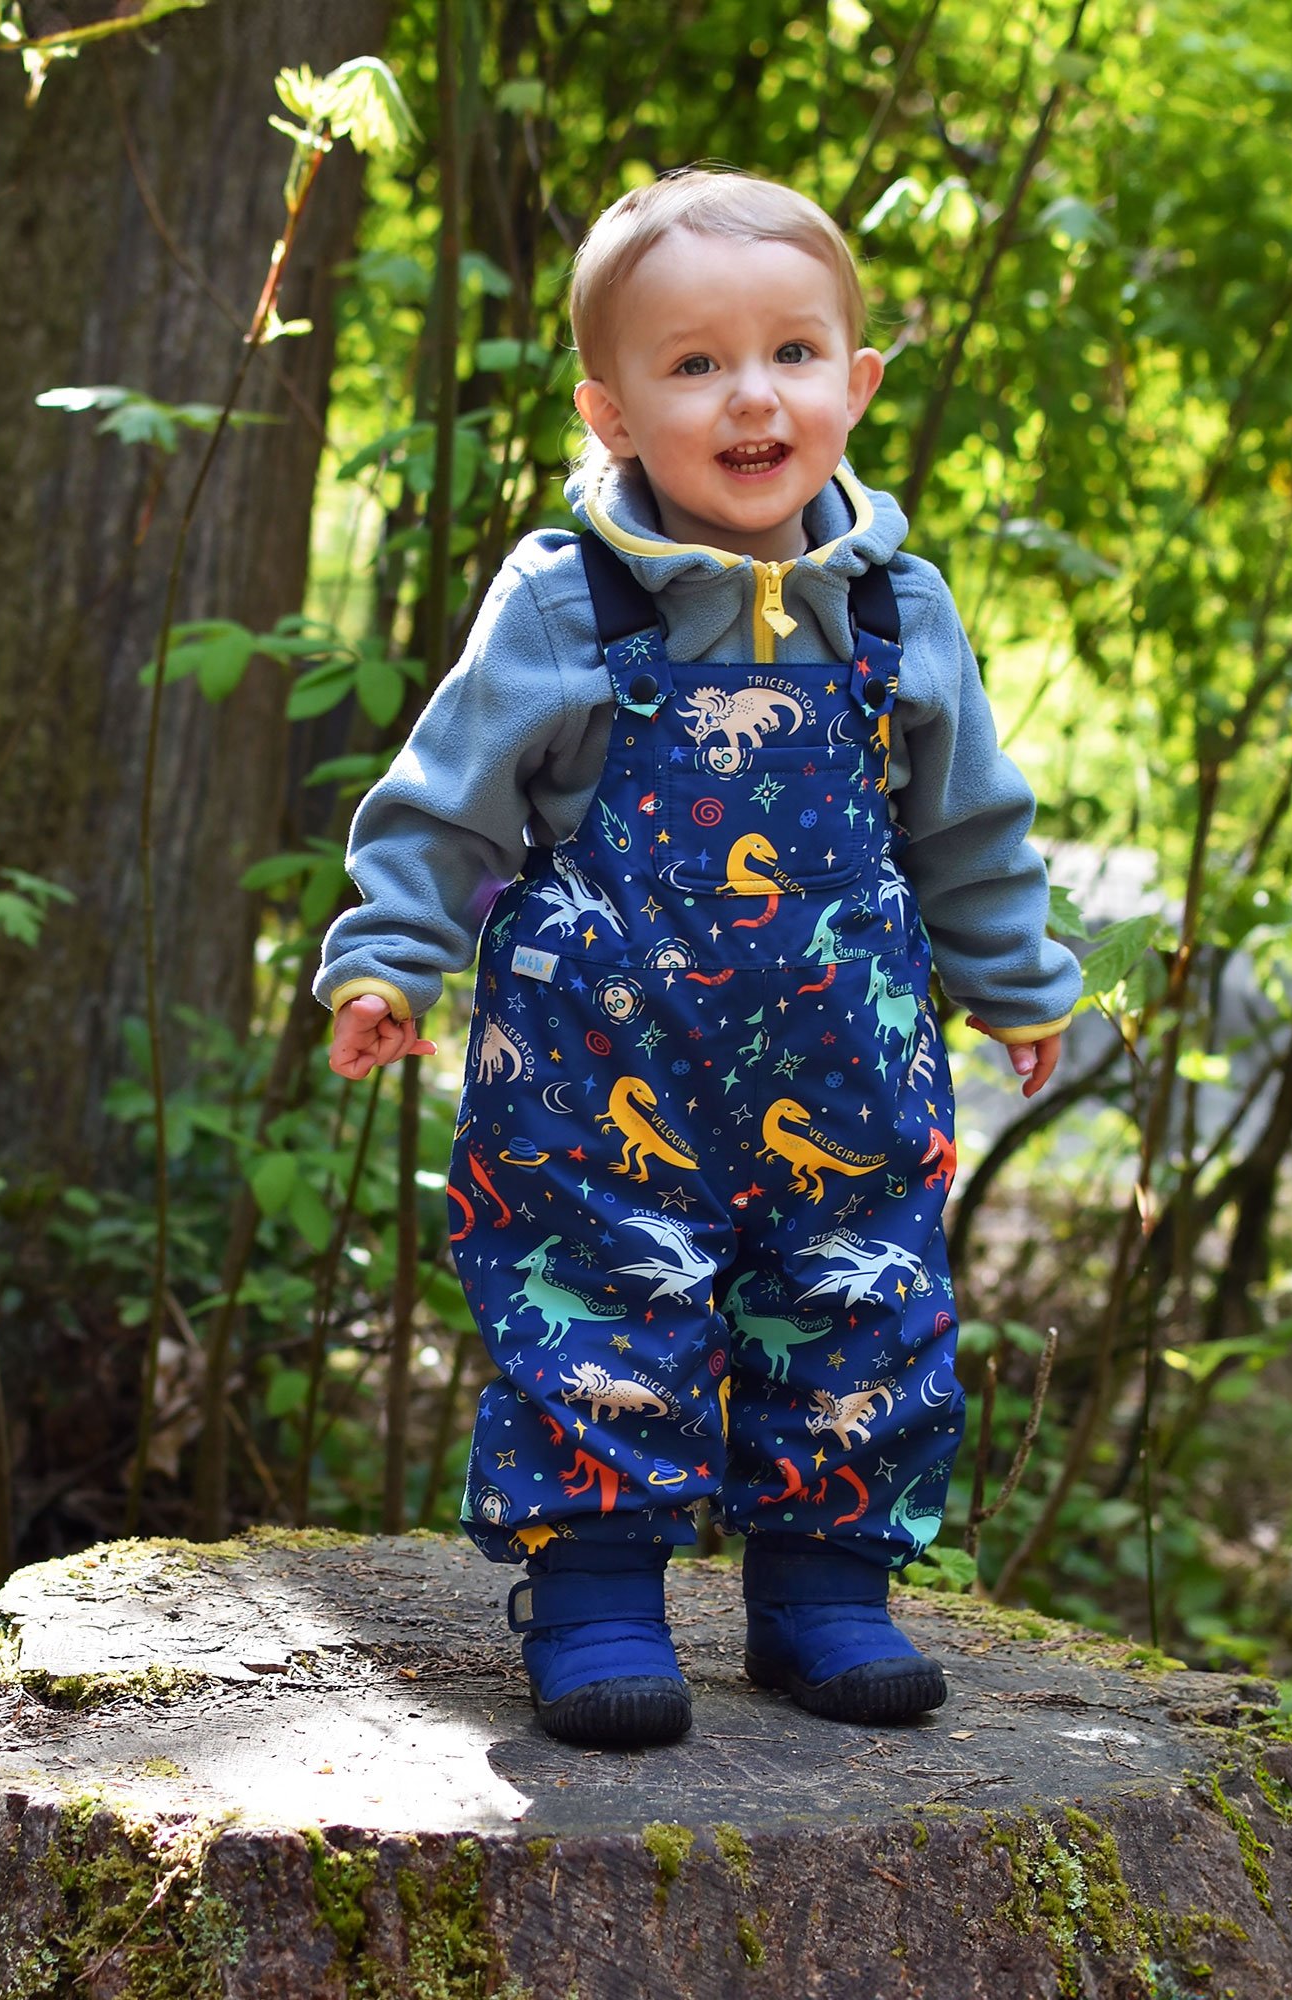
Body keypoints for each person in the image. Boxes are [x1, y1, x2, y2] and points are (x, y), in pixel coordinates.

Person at [318, 166, 1081, 1750]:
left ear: (856, 383)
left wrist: (1014, 976)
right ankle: (597, 1600)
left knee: (862, 1297)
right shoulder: (566, 601)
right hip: (602, 1061)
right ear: (611, 413)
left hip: (844, 1053)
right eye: (695, 364)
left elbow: (967, 822)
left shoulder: (898, 609)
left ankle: (825, 1596)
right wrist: (391, 959)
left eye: (793, 353)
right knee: (599, 1304)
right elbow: (445, 800)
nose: (752, 396)